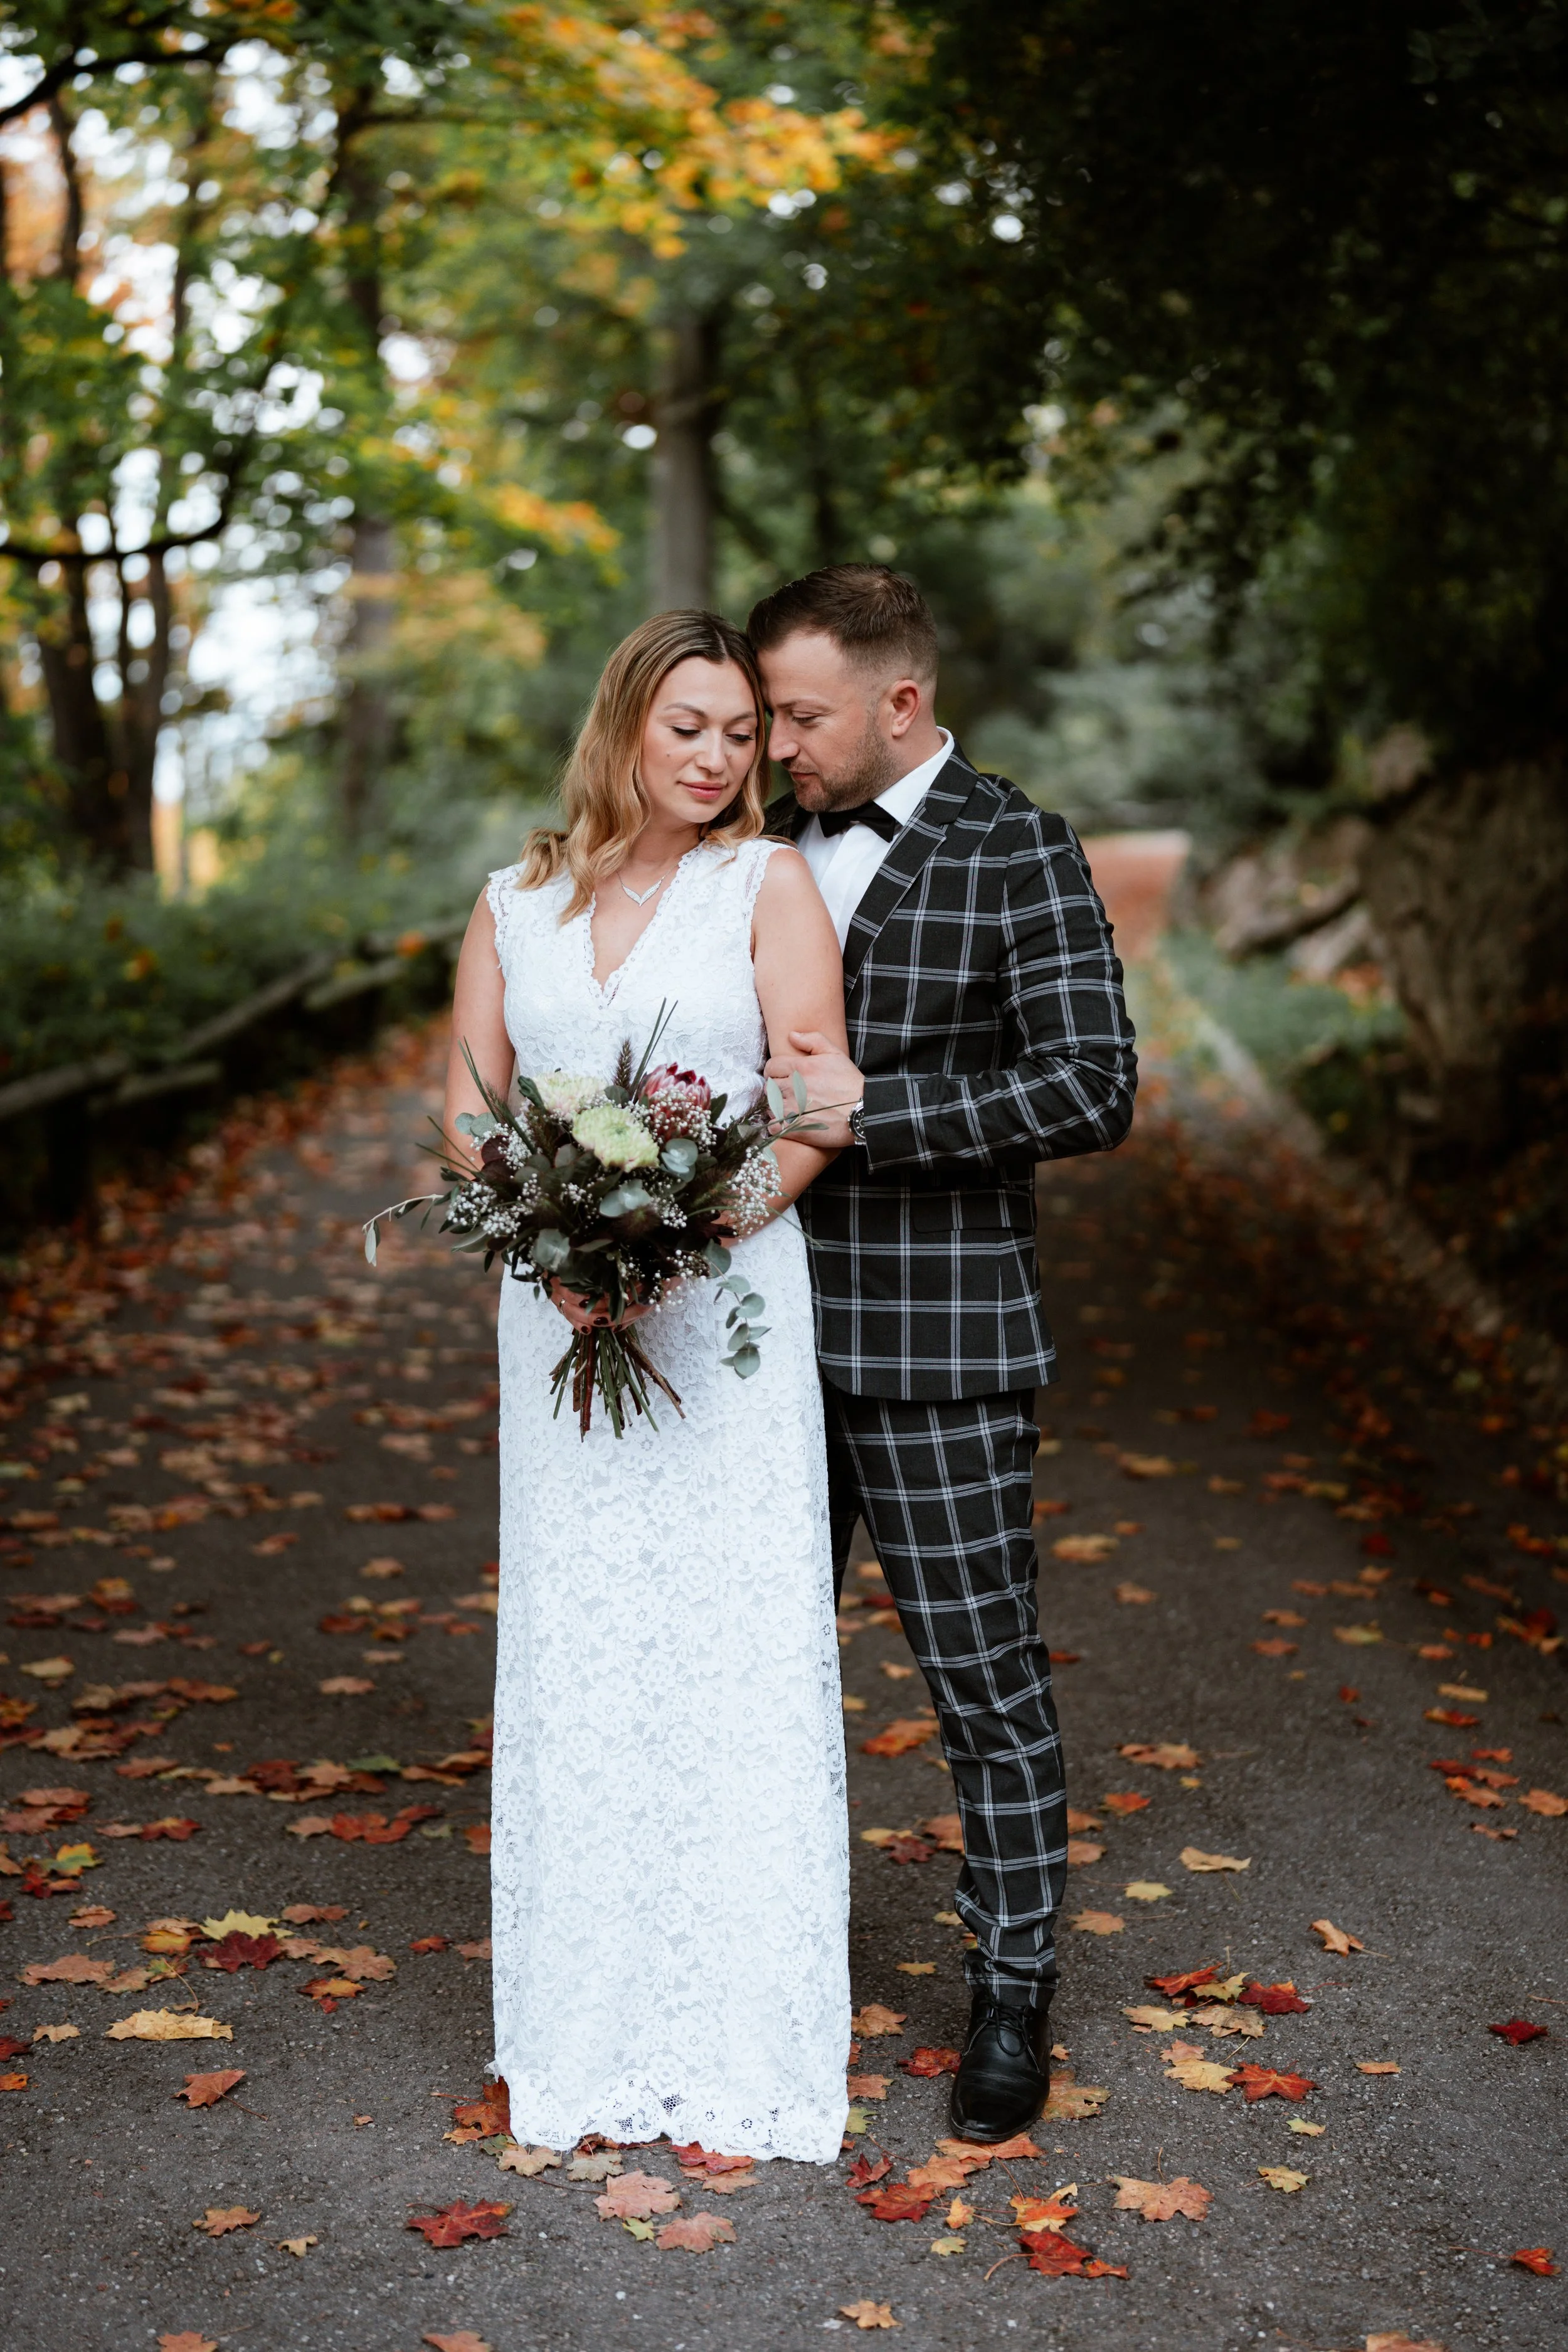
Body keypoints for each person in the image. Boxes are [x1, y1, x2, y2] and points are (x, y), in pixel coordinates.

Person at [442, 610, 851, 2162]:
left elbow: (813, 1100)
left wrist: (679, 1242)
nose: (718, 758)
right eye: (689, 728)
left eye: (741, 735)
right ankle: (584, 2026)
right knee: (587, 1642)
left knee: (724, 1644)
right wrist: (539, 1239)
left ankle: (738, 2030)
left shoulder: (766, 884)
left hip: (723, 1316)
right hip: (552, 1319)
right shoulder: (514, 901)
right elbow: (468, 1107)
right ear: (621, 724)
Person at [750, 563, 1137, 2143]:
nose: (776, 744)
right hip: (748, 1341)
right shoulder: (747, 846)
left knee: (981, 1686)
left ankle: (1008, 1996)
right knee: (747, 1673)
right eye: (767, 715)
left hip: (942, 1342)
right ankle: (747, 1974)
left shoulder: (1017, 846)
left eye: (800, 715)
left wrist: (878, 1113)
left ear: (899, 701)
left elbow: (1091, 1085)